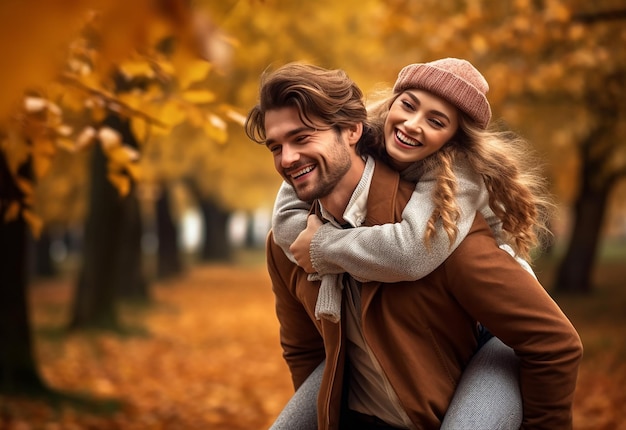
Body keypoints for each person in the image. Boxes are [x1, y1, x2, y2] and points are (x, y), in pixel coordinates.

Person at [245, 62, 582, 429]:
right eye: (276, 147)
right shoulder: (299, 228)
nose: (412, 124)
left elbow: (411, 252)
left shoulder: (446, 210)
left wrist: (322, 248)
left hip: (494, 330)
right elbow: (304, 349)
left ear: (352, 132)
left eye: (436, 121)